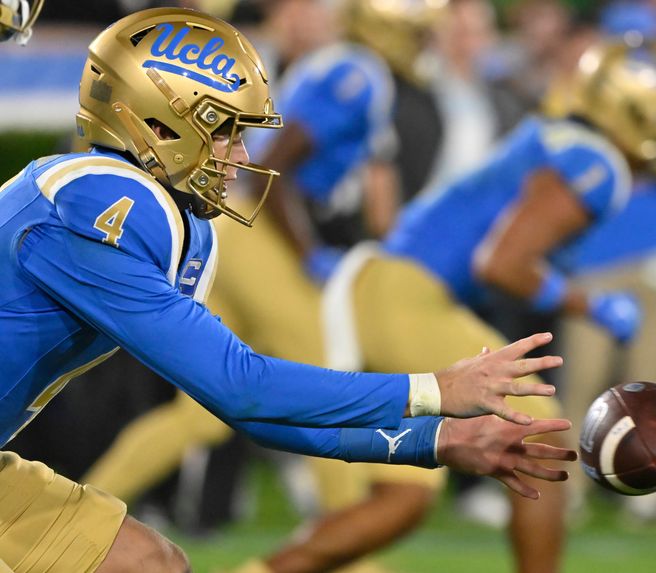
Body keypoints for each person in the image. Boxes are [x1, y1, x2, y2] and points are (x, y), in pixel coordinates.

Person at [0, 8, 579, 572]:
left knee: (147, 564)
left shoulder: (173, 222)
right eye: (224, 132)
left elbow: (256, 413)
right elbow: (243, 388)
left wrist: (435, 440)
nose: (243, 156)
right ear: (156, 125)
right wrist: (433, 389)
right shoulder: (100, 203)